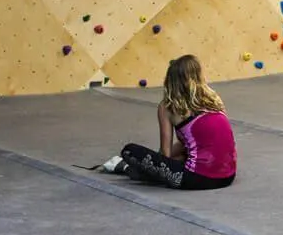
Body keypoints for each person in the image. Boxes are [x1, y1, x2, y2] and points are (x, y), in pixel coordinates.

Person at [97, 54, 237, 189]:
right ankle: (139, 170)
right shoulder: (213, 100)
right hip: (228, 176)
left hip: (196, 179)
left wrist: (151, 163)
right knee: (183, 155)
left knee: (129, 151)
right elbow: (194, 141)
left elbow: (165, 154)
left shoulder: (168, 107)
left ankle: (127, 168)